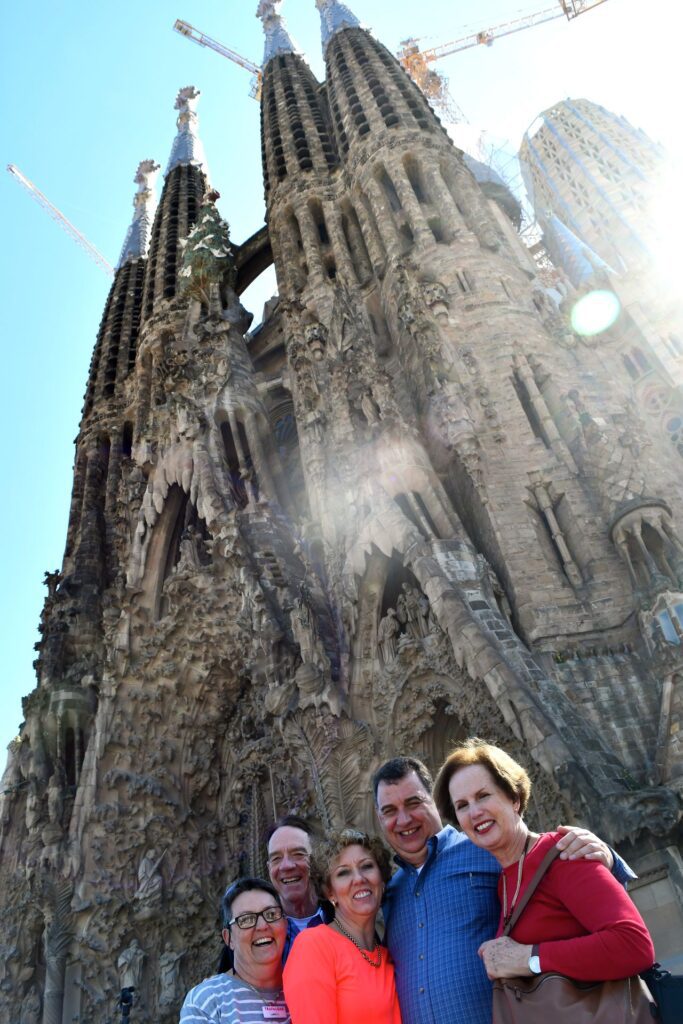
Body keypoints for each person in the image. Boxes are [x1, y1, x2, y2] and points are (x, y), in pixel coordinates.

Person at [373, 755, 634, 1024]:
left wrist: (609, 858)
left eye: (414, 803)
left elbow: (545, 860)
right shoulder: (388, 894)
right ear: (380, 819)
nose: (403, 819)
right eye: (389, 811)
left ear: (435, 804)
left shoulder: (485, 847)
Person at [433, 738, 654, 985]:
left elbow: (634, 944)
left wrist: (529, 958)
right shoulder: (503, 882)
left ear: (514, 798)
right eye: (462, 806)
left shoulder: (563, 852)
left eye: (483, 796)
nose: (474, 812)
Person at [283, 828, 401, 1023]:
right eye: (344, 873)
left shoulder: (387, 954)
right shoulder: (314, 946)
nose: (359, 878)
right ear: (330, 892)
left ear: (381, 880)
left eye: (367, 866)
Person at [180, 877, 290, 1022]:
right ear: (229, 938)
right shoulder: (206, 1001)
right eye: (246, 919)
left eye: (271, 914)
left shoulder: (306, 989)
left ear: (285, 924)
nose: (262, 926)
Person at [266, 815, 333, 962]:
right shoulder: (257, 933)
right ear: (269, 868)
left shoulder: (346, 920)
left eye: (298, 854)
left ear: (316, 860)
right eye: (276, 858)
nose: (286, 866)